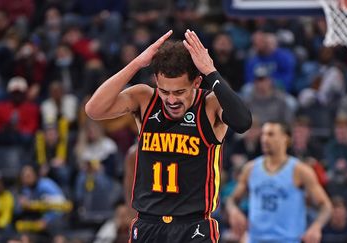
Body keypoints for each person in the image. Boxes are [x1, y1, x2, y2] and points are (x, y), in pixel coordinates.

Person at [85, 29, 252, 242]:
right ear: (156, 81)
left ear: (196, 82)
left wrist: (211, 71)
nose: (171, 100)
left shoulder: (210, 105)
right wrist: (136, 63)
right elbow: (94, 109)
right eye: (165, 92)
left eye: (179, 92)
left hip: (193, 225)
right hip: (148, 223)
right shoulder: (145, 98)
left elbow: (243, 122)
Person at [226, 121, 332, 243]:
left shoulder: (300, 170)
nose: (265, 139)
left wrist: (316, 227)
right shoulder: (250, 168)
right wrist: (234, 211)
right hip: (255, 239)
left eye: (271, 134)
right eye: (263, 134)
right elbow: (232, 200)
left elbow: (326, 206)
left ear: (285, 139)